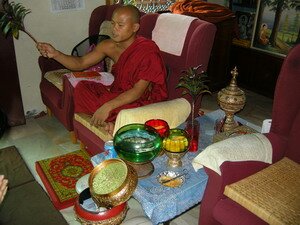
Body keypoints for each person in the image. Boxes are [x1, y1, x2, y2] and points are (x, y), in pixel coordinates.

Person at [37, 5, 168, 135]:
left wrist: (107, 106)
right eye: (113, 23)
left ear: (135, 27)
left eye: (120, 25)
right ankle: (114, 120)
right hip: (119, 93)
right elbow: (80, 63)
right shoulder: (108, 46)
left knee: (123, 110)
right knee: (82, 88)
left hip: (138, 99)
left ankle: (115, 121)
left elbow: (137, 91)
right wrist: (56, 54)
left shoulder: (147, 51)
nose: (114, 29)